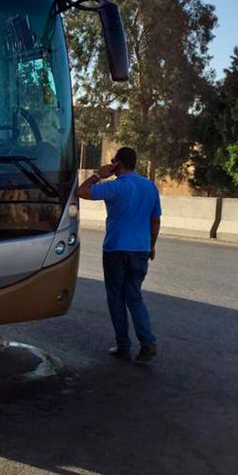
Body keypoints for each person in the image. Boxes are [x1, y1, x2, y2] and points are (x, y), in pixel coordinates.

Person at [78, 146, 161, 363]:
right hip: (140, 249)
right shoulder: (150, 187)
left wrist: (97, 174)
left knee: (116, 298)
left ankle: (123, 345)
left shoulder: (115, 187)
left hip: (116, 249)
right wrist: (151, 245)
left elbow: (82, 192)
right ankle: (147, 343)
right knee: (134, 296)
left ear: (117, 164)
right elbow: (155, 221)